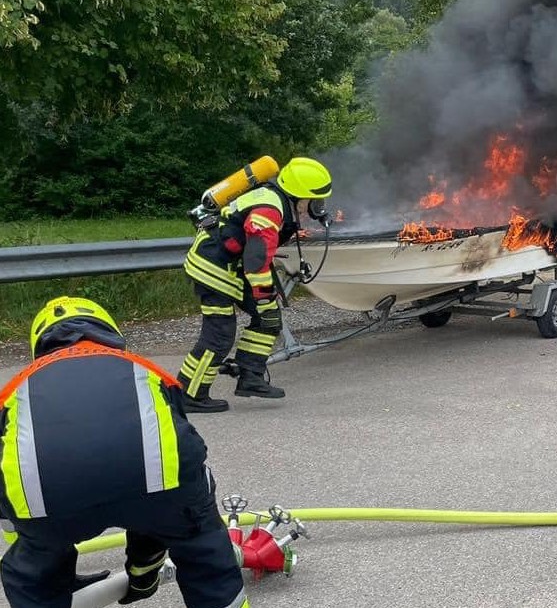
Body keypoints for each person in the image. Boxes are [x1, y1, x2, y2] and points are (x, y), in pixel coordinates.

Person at [0, 296, 248, 607]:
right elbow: (179, 439)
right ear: (108, 332)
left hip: (51, 506)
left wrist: (34, 542)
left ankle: (51, 577)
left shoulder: (14, 391)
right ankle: (147, 574)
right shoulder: (146, 370)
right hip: (160, 493)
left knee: (32, 576)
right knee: (192, 532)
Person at [177, 157, 333, 413]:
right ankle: (188, 394)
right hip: (211, 267)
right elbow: (256, 261)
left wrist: (266, 303)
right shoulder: (269, 211)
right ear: (299, 197)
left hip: (230, 265)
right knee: (219, 334)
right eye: (313, 202)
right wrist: (264, 298)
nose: (315, 209)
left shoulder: (277, 200)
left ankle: (250, 377)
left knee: (268, 319)